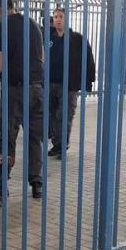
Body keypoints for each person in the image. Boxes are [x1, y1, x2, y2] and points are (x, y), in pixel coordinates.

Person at [0, 0, 44, 199]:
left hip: (15, 91)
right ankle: (37, 183)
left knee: (6, 135)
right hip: (37, 90)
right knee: (34, 137)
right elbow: (40, 58)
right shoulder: (33, 25)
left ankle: (1, 182)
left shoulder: (1, 28)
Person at [48, 8, 96, 158]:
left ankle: (62, 145)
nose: (58, 19)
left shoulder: (77, 39)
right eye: (55, 16)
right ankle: (57, 143)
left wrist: (88, 82)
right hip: (49, 83)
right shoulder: (48, 38)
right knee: (51, 115)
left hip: (68, 85)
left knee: (64, 115)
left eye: (61, 16)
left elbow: (88, 60)